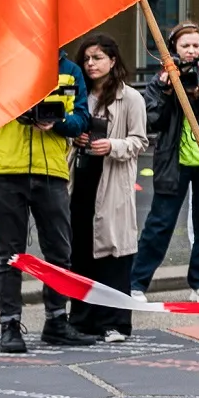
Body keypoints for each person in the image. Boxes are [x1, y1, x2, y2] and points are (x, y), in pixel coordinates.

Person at [0, 53, 96, 354]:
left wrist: (57, 121)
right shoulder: (4, 63)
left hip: (52, 172)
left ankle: (57, 323)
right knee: (10, 255)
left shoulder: (71, 71)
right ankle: (9, 326)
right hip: (7, 169)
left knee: (60, 253)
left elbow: (82, 120)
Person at [130, 23, 199, 301]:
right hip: (174, 161)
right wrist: (169, 92)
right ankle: (136, 283)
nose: (191, 51)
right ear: (173, 49)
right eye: (185, 46)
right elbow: (152, 119)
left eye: (195, 46)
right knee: (160, 223)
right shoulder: (161, 80)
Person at [70, 33, 150, 338]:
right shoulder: (79, 95)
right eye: (87, 59)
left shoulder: (131, 98)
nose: (91, 64)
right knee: (81, 251)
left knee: (114, 254)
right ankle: (81, 319)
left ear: (113, 60)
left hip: (113, 182)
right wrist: (75, 138)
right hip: (81, 179)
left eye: (98, 58)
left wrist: (113, 145)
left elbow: (140, 141)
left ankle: (115, 322)